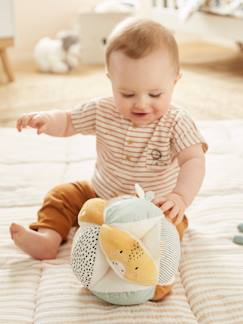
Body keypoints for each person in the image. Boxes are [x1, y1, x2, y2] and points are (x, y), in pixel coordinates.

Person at [10, 18, 207, 262]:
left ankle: (142, 262)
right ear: (111, 80)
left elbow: (193, 160)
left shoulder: (177, 122)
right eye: (127, 93)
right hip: (99, 196)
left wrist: (179, 197)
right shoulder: (102, 110)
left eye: (155, 94)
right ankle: (48, 239)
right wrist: (47, 120)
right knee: (61, 196)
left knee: (169, 229)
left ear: (174, 81)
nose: (141, 103)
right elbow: (69, 121)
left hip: (153, 207)